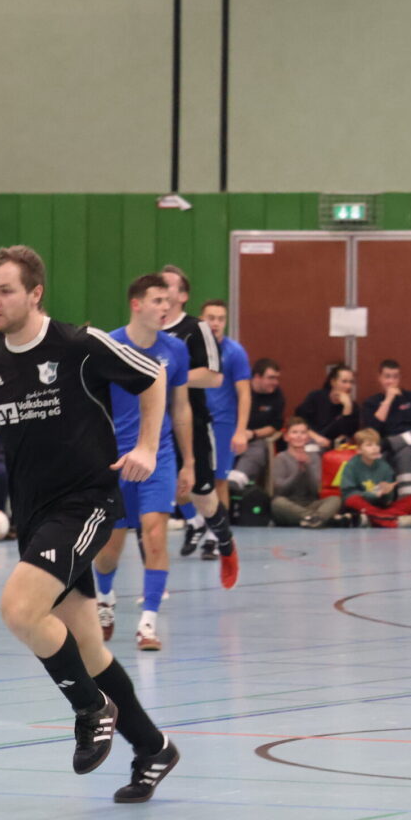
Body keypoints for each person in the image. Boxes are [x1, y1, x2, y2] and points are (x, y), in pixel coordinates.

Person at [0, 245, 180, 802]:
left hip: (86, 503)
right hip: (35, 514)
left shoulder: (78, 344)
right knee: (87, 648)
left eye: (5, 291)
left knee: (19, 609)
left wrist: (145, 446)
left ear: (35, 293)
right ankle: (153, 747)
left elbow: (153, 375)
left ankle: (91, 708)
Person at [93, 274, 193, 651]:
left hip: (159, 455)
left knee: (154, 535)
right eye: (157, 300)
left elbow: (181, 408)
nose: (166, 307)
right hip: (115, 458)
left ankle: (147, 623)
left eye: (168, 301)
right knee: (108, 551)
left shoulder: (175, 350)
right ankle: (105, 600)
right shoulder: (109, 346)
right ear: (136, 304)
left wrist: (189, 462)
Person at [160, 266, 239, 576]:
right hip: (153, 428)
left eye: (169, 285)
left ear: (183, 295)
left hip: (191, 425)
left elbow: (213, 377)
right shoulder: (146, 330)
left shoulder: (195, 329)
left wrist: (168, 375)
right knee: (153, 502)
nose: (162, 290)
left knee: (202, 494)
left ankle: (223, 538)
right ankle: (152, 587)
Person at [362, 359, 411, 502]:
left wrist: (395, 442)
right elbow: (372, 431)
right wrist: (388, 400)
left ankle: (395, 442)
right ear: (379, 378)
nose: (391, 381)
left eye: (395, 377)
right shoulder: (371, 403)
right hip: (387, 453)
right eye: (387, 377)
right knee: (405, 450)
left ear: (400, 378)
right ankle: (408, 501)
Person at [201, 299, 251, 509]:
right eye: (211, 318)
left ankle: (221, 528)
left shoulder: (235, 352)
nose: (216, 323)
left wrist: (240, 431)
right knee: (190, 477)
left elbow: (244, 393)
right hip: (195, 421)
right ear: (201, 319)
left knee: (219, 480)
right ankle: (194, 522)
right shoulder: (191, 349)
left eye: (221, 319)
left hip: (223, 423)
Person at [340, 428, 411, 527]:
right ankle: (393, 521)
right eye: (369, 445)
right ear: (359, 450)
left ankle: (371, 519)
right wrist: (372, 494)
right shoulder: (351, 466)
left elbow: (387, 500)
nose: (375, 448)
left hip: (379, 507)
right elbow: (348, 494)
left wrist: (386, 493)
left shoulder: (385, 467)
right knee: (353, 500)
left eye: (377, 445)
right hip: (362, 504)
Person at [270, 418, 344, 528]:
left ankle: (311, 519)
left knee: (335, 499)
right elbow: (280, 490)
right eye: (294, 432)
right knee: (277, 503)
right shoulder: (281, 458)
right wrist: (298, 471)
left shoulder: (314, 458)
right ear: (286, 437)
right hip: (289, 506)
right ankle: (318, 519)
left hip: (311, 504)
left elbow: (315, 489)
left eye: (303, 433)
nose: (299, 436)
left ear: (308, 438)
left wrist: (308, 466)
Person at [229, 358, 286, 489]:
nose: (275, 382)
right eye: (271, 378)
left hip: (256, 439)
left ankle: (236, 483)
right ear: (257, 377)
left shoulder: (277, 395)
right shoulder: (238, 391)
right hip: (231, 435)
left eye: (277, 378)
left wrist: (253, 434)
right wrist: (239, 433)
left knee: (258, 451)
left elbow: (275, 426)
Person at [296, 364, 360, 449]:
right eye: (344, 382)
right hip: (310, 439)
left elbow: (348, 434)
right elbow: (298, 421)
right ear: (333, 382)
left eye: (351, 382)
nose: (349, 386)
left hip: (333, 446)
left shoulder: (353, 407)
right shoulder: (316, 397)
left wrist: (347, 407)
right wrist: (316, 437)